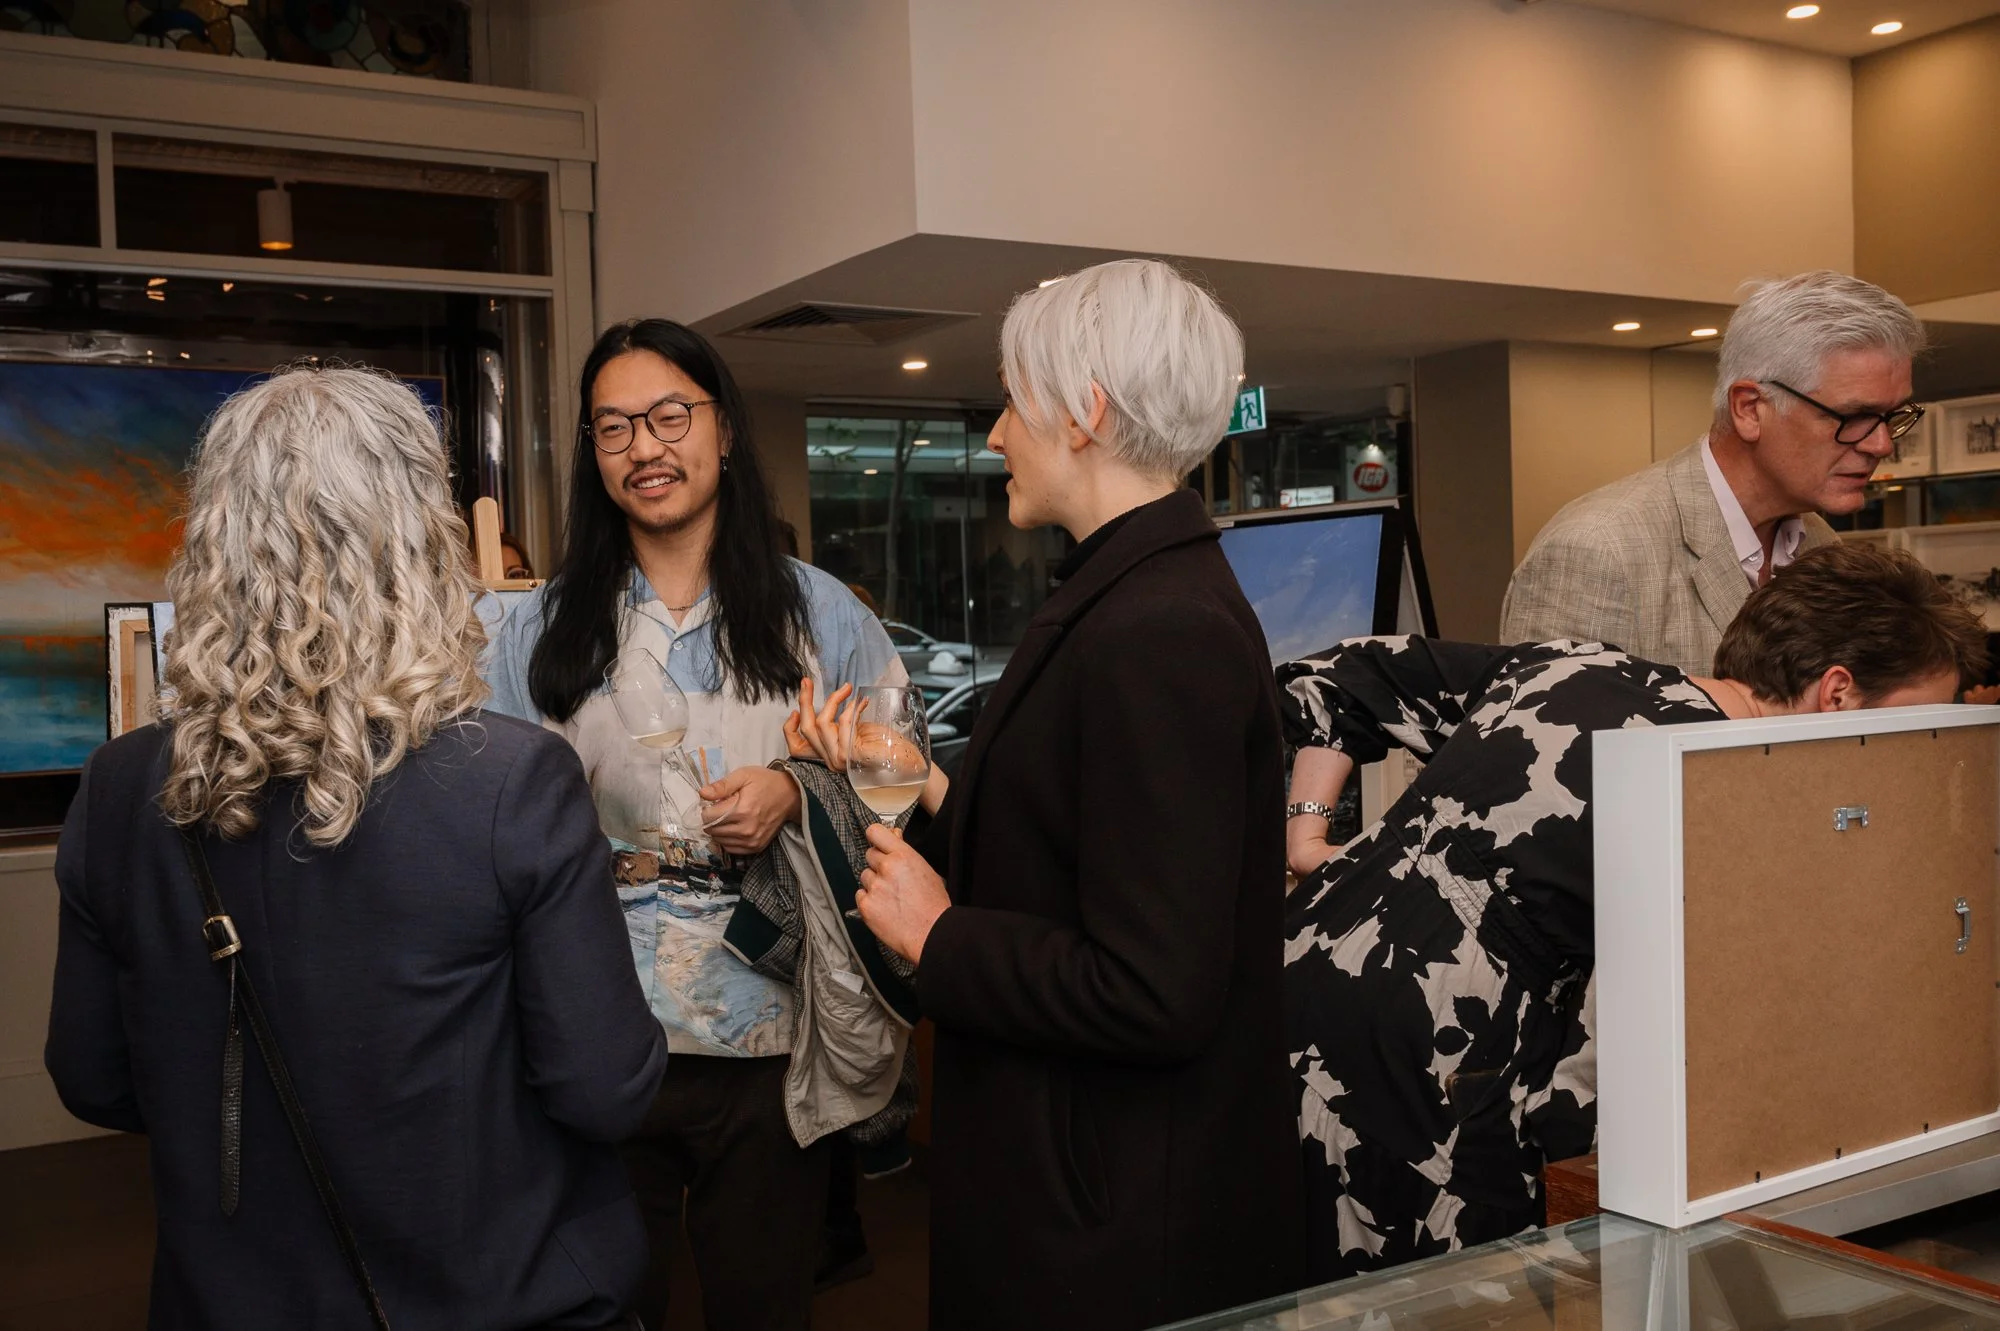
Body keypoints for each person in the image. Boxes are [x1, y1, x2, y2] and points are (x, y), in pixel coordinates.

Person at [43, 366, 667, 1330]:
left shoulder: (121, 788)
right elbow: (604, 1089)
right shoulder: (510, 781)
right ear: (420, 539)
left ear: (216, 540)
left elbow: (93, 1078)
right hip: (493, 1298)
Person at [1282, 542, 1986, 1282]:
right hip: (1426, 1086)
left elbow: (1335, 678)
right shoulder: (1726, 788)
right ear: (1837, 691)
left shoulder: (1578, 666)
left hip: (1285, 997)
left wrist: (1307, 834)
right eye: (1919, 727)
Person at [834, 259, 1303, 1330]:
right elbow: (1075, 864)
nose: (997, 432)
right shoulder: (1134, 592)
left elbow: (1151, 985)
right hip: (1087, 1190)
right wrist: (932, 788)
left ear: (1083, 411)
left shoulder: (1157, 627)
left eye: (1012, 398)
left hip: (1112, 1223)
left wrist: (939, 935)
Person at [484, 319, 902, 1331]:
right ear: (591, 451)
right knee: (596, 1304)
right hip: (593, 1017)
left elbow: (904, 771)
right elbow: (485, 813)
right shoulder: (538, 625)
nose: (645, 447)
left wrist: (797, 787)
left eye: (670, 415)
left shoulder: (819, 613)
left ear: (721, 430)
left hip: (768, 1022)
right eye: (615, 426)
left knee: (762, 1303)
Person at [1500, 271, 1928, 676]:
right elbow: (1548, 746)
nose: (1882, 444)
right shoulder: (1599, 551)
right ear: (1748, 409)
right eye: (1853, 416)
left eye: (1892, 416)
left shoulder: (1820, 545)